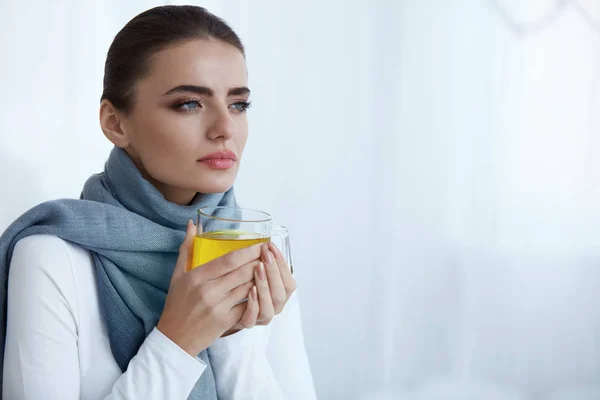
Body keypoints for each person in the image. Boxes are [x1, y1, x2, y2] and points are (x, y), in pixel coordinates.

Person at [0, 5, 317, 400]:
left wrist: (236, 336)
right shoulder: (52, 257)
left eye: (238, 104)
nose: (225, 128)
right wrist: (177, 340)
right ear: (115, 123)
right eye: (189, 103)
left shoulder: (255, 254)